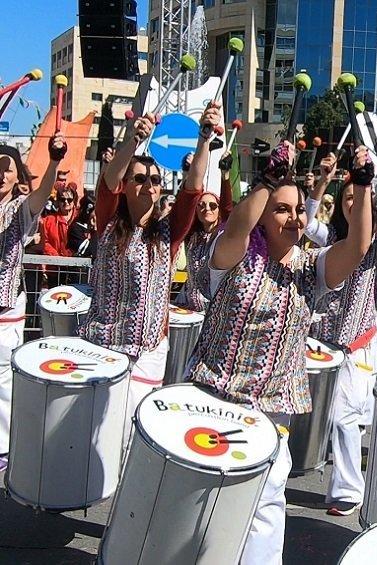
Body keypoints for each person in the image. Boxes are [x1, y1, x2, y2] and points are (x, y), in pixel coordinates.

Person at [183, 141, 375, 564]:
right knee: (204, 504)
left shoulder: (312, 267)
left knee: (266, 509)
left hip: (272, 411)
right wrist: (267, 181)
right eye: (282, 209)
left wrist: (362, 186)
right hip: (214, 397)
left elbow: (359, 246)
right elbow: (236, 226)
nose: (295, 218)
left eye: (299, 210)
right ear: (264, 215)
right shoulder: (233, 254)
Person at [78, 106, 217, 426]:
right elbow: (107, 183)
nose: (149, 185)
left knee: (132, 432)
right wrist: (133, 140)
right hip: (103, 346)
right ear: (126, 187)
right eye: (139, 179)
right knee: (98, 433)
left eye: (154, 180)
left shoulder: (169, 232)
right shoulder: (110, 223)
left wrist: (203, 139)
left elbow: (193, 189)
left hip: (149, 352)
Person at [304, 146, 377, 516]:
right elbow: (306, 223)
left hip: (358, 347)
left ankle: (349, 490)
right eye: (348, 197)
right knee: (316, 412)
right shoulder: (332, 238)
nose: (354, 202)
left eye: (360, 196)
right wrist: (322, 182)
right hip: (320, 345)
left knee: (343, 417)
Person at [0, 137, 66, 469]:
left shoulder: (19, 208)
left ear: (16, 177)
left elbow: (40, 197)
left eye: (6, 169)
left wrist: (54, 162)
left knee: (1, 378)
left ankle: (2, 447)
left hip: (5, 309)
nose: (0, 175)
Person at [174, 150, 234, 312]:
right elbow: (184, 206)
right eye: (201, 205)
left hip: (214, 313)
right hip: (187, 308)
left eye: (213, 206)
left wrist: (225, 175)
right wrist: (189, 173)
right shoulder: (192, 235)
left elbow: (228, 209)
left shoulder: (223, 236)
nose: (207, 208)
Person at [39, 185, 77, 257]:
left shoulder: (80, 219)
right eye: (62, 200)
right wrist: (57, 257)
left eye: (69, 199)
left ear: (74, 200)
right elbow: (44, 243)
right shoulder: (48, 221)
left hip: (77, 264)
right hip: (54, 263)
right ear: (58, 201)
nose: (66, 202)